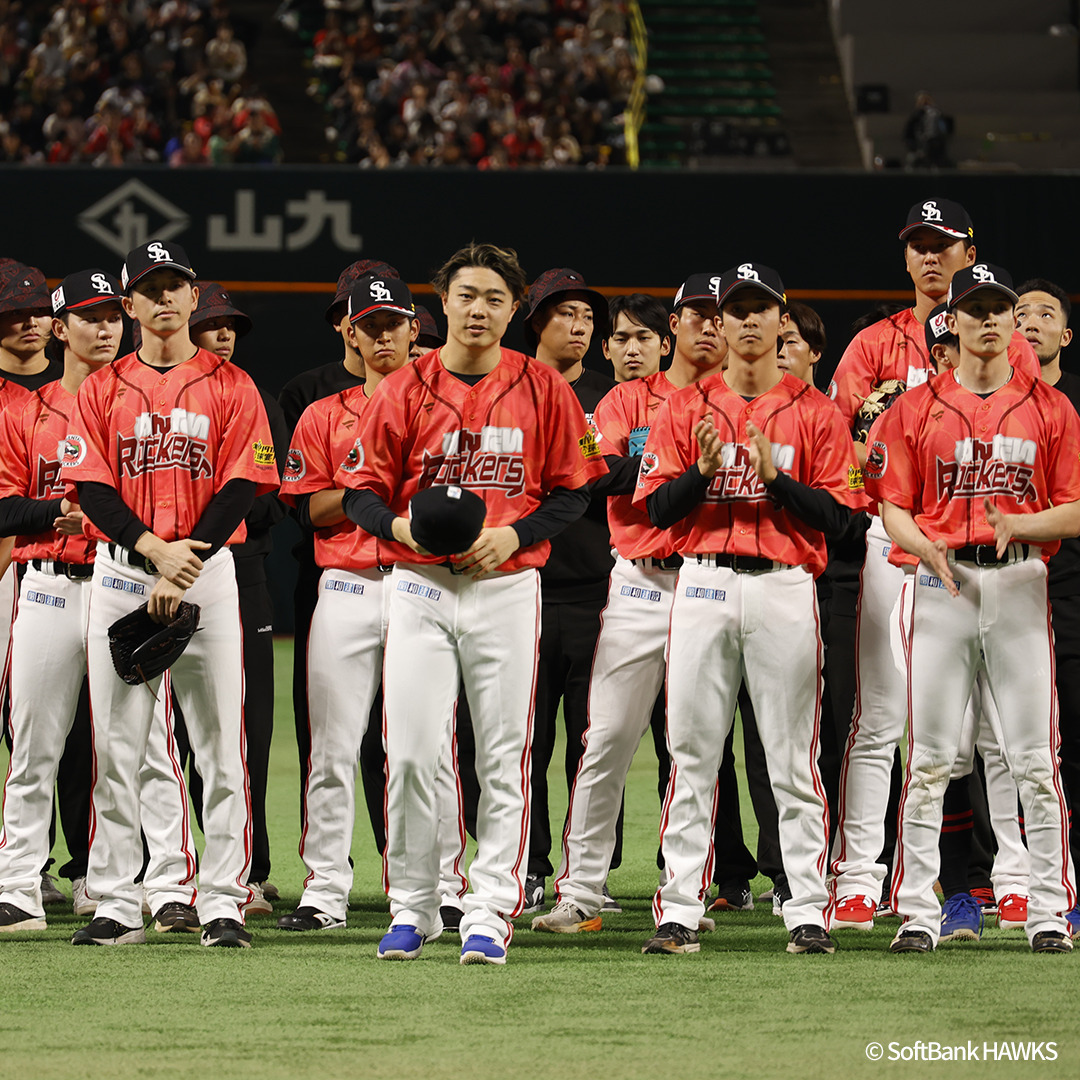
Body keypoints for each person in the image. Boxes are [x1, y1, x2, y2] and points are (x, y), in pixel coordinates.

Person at [339, 241, 606, 964]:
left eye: (494, 298)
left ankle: (488, 909)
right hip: (419, 586)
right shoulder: (403, 387)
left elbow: (575, 490)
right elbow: (359, 491)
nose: (479, 309)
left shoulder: (543, 387)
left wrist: (516, 534)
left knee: (502, 754)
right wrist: (399, 528)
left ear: (514, 308)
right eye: (466, 296)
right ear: (443, 303)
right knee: (410, 753)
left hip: (506, 587)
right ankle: (415, 905)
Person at [635, 263, 861, 956]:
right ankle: (679, 907)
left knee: (793, 758)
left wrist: (777, 479)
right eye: (737, 310)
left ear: (782, 321)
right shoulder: (684, 407)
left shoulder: (817, 411)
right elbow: (654, 509)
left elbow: (843, 520)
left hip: (784, 585)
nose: (750, 320)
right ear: (721, 323)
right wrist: (703, 474)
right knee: (691, 753)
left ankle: (807, 909)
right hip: (703, 581)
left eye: (763, 308)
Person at [829, 199, 1039, 930]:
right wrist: (880, 452)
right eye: (917, 245)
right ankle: (858, 878)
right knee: (880, 715)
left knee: (996, 723)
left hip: (984, 550)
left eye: (942, 244)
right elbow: (839, 452)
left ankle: (1014, 877)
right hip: (893, 543)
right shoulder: (871, 345)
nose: (928, 256)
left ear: (967, 252)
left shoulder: (1009, 342)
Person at [63, 240, 279, 948]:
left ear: (192, 296)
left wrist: (183, 560)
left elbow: (243, 483)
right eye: (149, 288)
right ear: (129, 304)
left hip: (206, 573)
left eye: (174, 286)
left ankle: (221, 900)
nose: (163, 298)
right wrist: (155, 550)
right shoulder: (100, 389)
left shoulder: (232, 384)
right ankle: (118, 901)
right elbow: (91, 487)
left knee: (220, 745)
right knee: (117, 745)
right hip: (124, 571)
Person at [865, 264, 1079, 954]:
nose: (988, 319)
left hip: (1019, 582)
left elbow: (1076, 505)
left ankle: (1048, 912)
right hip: (944, 583)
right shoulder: (913, 408)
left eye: (999, 309)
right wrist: (920, 545)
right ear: (951, 322)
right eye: (975, 308)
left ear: (1013, 321)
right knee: (931, 758)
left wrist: (1024, 525)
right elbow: (892, 504)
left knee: (1034, 760)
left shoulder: (1051, 408)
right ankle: (917, 913)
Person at [0, 269, 199, 935]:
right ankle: (18, 886)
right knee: (34, 743)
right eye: (90, 317)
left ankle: (169, 885)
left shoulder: (148, 404)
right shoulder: (23, 411)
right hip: (50, 584)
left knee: (149, 746)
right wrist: (51, 513)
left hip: (126, 584)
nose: (106, 327)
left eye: (114, 315)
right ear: (60, 329)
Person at [531, 274, 728, 934]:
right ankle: (580, 891)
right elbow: (597, 472)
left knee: (695, 744)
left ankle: (685, 896)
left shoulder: (738, 399)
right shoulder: (622, 399)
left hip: (708, 579)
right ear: (675, 326)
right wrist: (678, 471)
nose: (708, 325)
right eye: (695, 314)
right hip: (640, 581)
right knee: (606, 737)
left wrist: (649, 469)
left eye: (718, 315)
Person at [277, 258, 400, 844]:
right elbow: (306, 509)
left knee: (422, 746)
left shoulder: (445, 410)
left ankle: (429, 882)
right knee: (331, 744)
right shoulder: (321, 411)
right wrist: (362, 490)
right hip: (345, 582)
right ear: (350, 331)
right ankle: (326, 882)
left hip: (419, 583)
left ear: (414, 328)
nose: (382, 336)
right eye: (370, 325)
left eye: (392, 323)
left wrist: (351, 490)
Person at [186, 282, 290, 914]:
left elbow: (272, 495)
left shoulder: (253, 396)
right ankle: (164, 871)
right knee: (158, 734)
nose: (224, 333)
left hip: (238, 573)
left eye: (231, 325)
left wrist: (209, 524)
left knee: (242, 728)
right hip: (150, 571)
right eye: (211, 323)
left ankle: (248, 869)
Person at [520, 267, 614, 913]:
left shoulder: (611, 396)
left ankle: (589, 874)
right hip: (521, 586)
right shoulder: (509, 389)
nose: (579, 326)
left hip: (595, 589)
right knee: (522, 745)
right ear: (535, 321)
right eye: (564, 314)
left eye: (586, 316)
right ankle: (528, 867)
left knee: (594, 742)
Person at [1015, 278, 1080, 935]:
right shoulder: (995, 405)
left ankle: (1069, 886)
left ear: (1066, 333)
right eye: (1020, 313)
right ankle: (1005, 882)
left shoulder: (1072, 403)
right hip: (1010, 586)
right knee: (1004, 746)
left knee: (1072, 740)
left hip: (1071, 588)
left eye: (1044, 313)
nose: (1030, 322)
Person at [601, 293, 671, 383]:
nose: (632, 350)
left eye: (644, 338)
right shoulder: (593, 393)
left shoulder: (682, 392)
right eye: (621, 340)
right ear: (606, 349)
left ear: (665, 345)